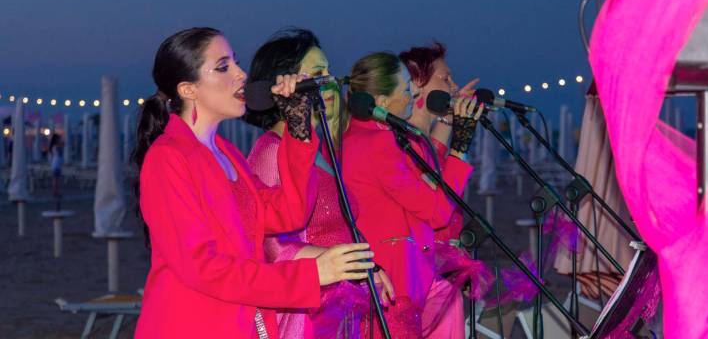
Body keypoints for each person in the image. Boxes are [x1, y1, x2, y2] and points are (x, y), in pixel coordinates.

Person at [133, 27, 374, 338]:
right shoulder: (168, 158)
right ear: (188, 89)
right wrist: (309, 275)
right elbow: (202, 267)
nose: (241, 74)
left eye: (235, 62)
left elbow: (289, 212)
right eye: (223, 67)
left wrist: (297, 126)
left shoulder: (228, 154)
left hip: (240, 323)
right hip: (192, 324)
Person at [245, 28, 393, 338]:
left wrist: (365, 266)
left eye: (328, 70)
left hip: (339, 304)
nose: (329, 79)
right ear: (286, 84)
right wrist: (345, 262)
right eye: (318, 72)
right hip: (309, 311)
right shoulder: (271, 150)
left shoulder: (315, 149)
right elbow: (271, 245)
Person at [343, 51, 482, 338]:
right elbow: (437, 212)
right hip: (394, 283)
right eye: (406, 90)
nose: (411, 96)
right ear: (381, 102)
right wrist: (461, 147)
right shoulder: (381, 143)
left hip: (379, 280)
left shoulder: (353, 138)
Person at [399, 42, 491, 338]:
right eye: (445, 78)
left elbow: (437, 157)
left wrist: (451, 116)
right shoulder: (402, 144)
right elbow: (437, 196)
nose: (452, 85)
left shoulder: (422, 141)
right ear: (416, 83)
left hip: (440, 273)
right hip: (422, 277)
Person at [49, 133, 64, 210]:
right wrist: (61, 143)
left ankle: (56, 191)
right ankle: (55, 192)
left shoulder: (55, 147)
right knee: (56, 179)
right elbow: (60, 149)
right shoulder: (56, 147)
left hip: (57, 164)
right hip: (56, 164)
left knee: (57, 179)